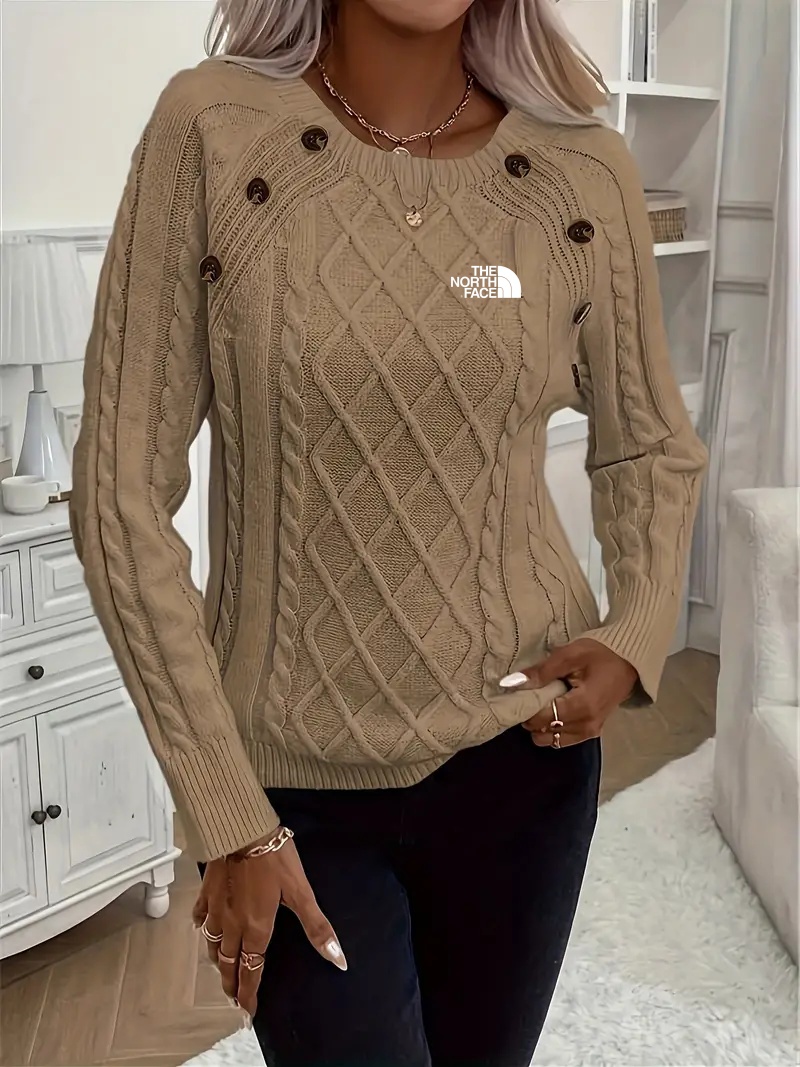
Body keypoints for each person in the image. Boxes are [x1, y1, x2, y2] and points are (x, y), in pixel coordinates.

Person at [70, 0, 708, 1063]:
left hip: (524, 767)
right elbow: (118, 494)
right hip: (291, 794)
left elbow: (648, 443)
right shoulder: (212, 132)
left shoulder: (581, 170)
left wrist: (633, 627)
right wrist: (227, 812)